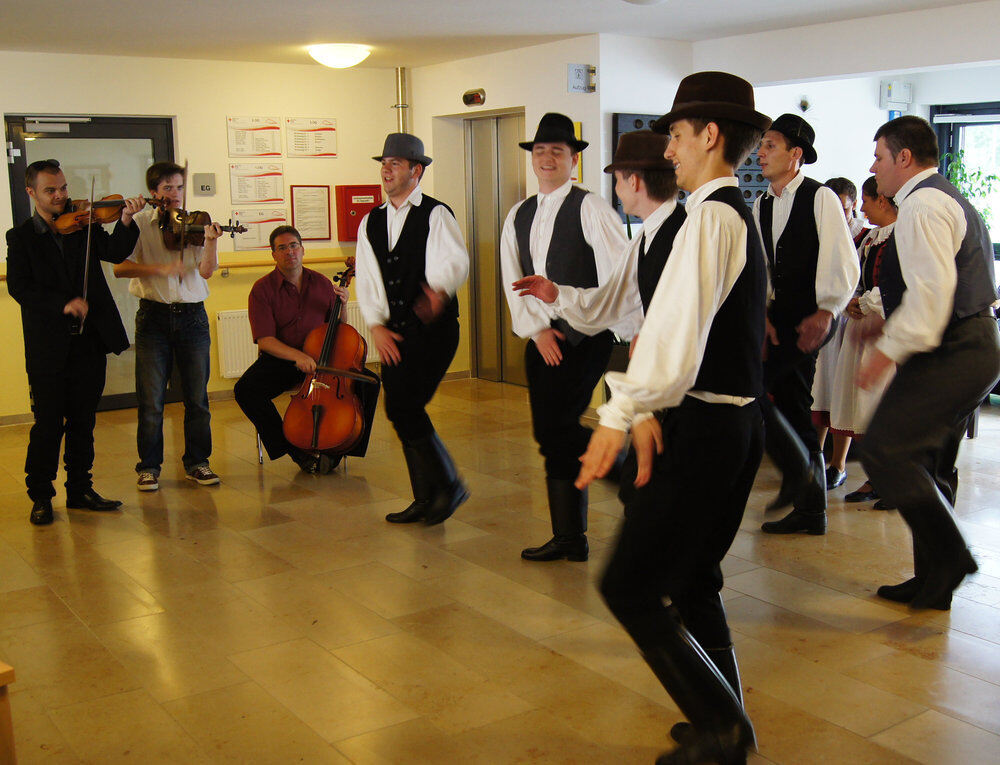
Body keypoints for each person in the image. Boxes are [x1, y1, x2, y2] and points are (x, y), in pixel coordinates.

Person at [576, 71, 769, 765]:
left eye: (678, 137)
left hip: (711, 429)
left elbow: (673, 339)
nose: (670, 151)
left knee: (629, 583)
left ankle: (724, 727)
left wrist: (622, 409)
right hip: (715, 424)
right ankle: (723, 710)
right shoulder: (712, 213)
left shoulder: (713, 217)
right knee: (689, 580)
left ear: (711, 136)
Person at [858, 115, 1000, 610]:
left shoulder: (921, 203)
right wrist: (890, 323)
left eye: (878, 156)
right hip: (970, 342)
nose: (873, 167)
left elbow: (933, 297)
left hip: (956, 347)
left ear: (903, 158)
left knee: (883, 449)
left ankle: (951, 555)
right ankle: (934, 580)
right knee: (929, 462)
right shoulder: (940, 196)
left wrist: (886, 351)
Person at [499, 112, 627, 562]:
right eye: (540, 151)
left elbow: (619, 278)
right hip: (541, 338)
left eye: (557, 151)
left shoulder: (591, 206)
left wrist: (572, 318)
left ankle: (626, 471)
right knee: (548, 433)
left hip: (587, 334)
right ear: (532, 160)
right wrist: (537, 331)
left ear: (574, 160)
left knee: (557, 428)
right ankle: (570, 536)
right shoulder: (519, 213)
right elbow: (512, 278)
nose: (547, 158)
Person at [6, 159, 145, 525]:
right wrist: (63, 304)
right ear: (31, 192)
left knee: (83, 421)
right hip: (49, 346)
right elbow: (20, 287)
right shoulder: (20, 237)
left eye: (64, 188)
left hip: (89, 341)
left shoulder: (84, 224)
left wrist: (127, 221)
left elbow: (115, 252)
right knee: (48, 423)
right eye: (51, 190)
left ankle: (80, 489)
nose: (60, 196)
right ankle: (41, 495)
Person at [354, 132, 470, 526]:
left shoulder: (436, 214)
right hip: (394, 331)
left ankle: (448, 486)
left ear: (416, 171)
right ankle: (426, 497)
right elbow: (367, 279)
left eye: (396, 163)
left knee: (406, 406)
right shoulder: (371, 220)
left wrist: (438, 290)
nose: (386, 170)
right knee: (399, 408)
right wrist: (376, 326)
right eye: (384, 163)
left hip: (434, 331)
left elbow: (455, 261)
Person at [753, 114, 859, 536]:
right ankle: (809, 504)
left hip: (812, 316)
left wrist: (829, 310)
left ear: (796, 155)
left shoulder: (820, 199)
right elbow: (760, 266)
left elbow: (843, 259)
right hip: (776, 317)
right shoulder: (761, 203)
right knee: (790, 406)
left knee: (759, 390)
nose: (761, 153)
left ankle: (802, 489)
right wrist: (760, 314)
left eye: (771, 146)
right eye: (762, 145)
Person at [512, 129, 685, 354]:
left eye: (617, 181)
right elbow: (613, 301)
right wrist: (556, 294)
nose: (616, 190)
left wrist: (651, 337)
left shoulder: (683, 233)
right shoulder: (644, 240)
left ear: (633, 182)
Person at [113, 162, 221, 492]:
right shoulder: (141, 223)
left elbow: (205, 271)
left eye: (179, 188)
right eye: (167, 189)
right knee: (151, 400)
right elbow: (120, 268)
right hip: (154, 318)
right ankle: (148, 467)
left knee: (197, 398)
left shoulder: (196, 223)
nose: (175, 195)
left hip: (192, 317)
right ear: (154, 193)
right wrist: (159, 268)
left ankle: (198, 463)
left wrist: (212, 241)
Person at [234, 225, 370, 474]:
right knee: (245, 390)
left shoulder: (321, 283)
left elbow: (339, 331)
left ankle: (342, 445)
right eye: (282, 248)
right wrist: (298, 356)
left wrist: (344, 305)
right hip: (284, 359)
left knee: (369, 383)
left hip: (322, 358)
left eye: (294, 246)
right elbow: (265, 340)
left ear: (302, 249)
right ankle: (293, 450)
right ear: (273, 254)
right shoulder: (262, 290)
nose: (290, 252)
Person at [831, 176, 898, 507]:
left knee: (882, 405)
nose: (864, 208)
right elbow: (855, 275)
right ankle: (876, 477)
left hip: (888, 328)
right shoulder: (870, 237)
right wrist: (852, 300)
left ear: (882, 201)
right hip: (862, 324)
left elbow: (901, 286)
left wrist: (869, 303)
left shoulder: (901, 237)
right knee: (860, 404)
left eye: (868, 201)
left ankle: (887, 480)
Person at [811, 177, 867, 491]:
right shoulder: (821, 233)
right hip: (827, 319)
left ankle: (839, 464)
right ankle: (814, 457)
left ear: (853, 206)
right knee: (822, 391)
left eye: (843, 209)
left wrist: (851, 302)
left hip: (854, 321)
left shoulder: (866, 236)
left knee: (842, 394)